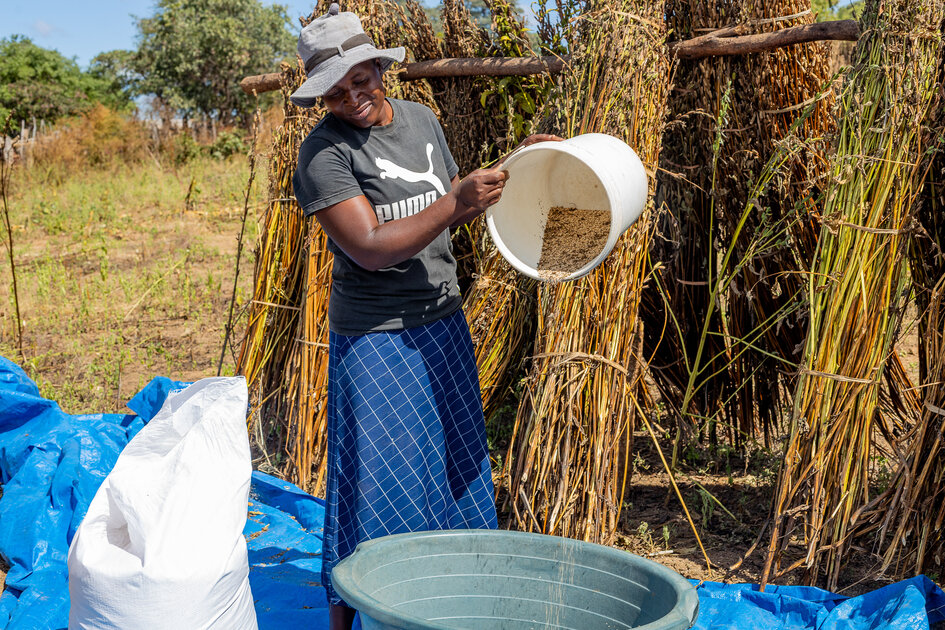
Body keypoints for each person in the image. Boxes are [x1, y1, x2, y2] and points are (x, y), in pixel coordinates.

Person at [289, 4, 560, 629]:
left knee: (456, 463)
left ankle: (453, 601)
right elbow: (371, 246)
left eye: (361, 78)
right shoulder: (323, 155)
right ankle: (370, 612)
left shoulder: (420, 120)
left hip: (442, 321)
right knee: (378, 482)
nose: (352, 96)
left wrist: (522, 162)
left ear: (380, 68)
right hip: (377, 338)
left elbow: (450, 199)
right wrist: (454, 202)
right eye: (334, 90)